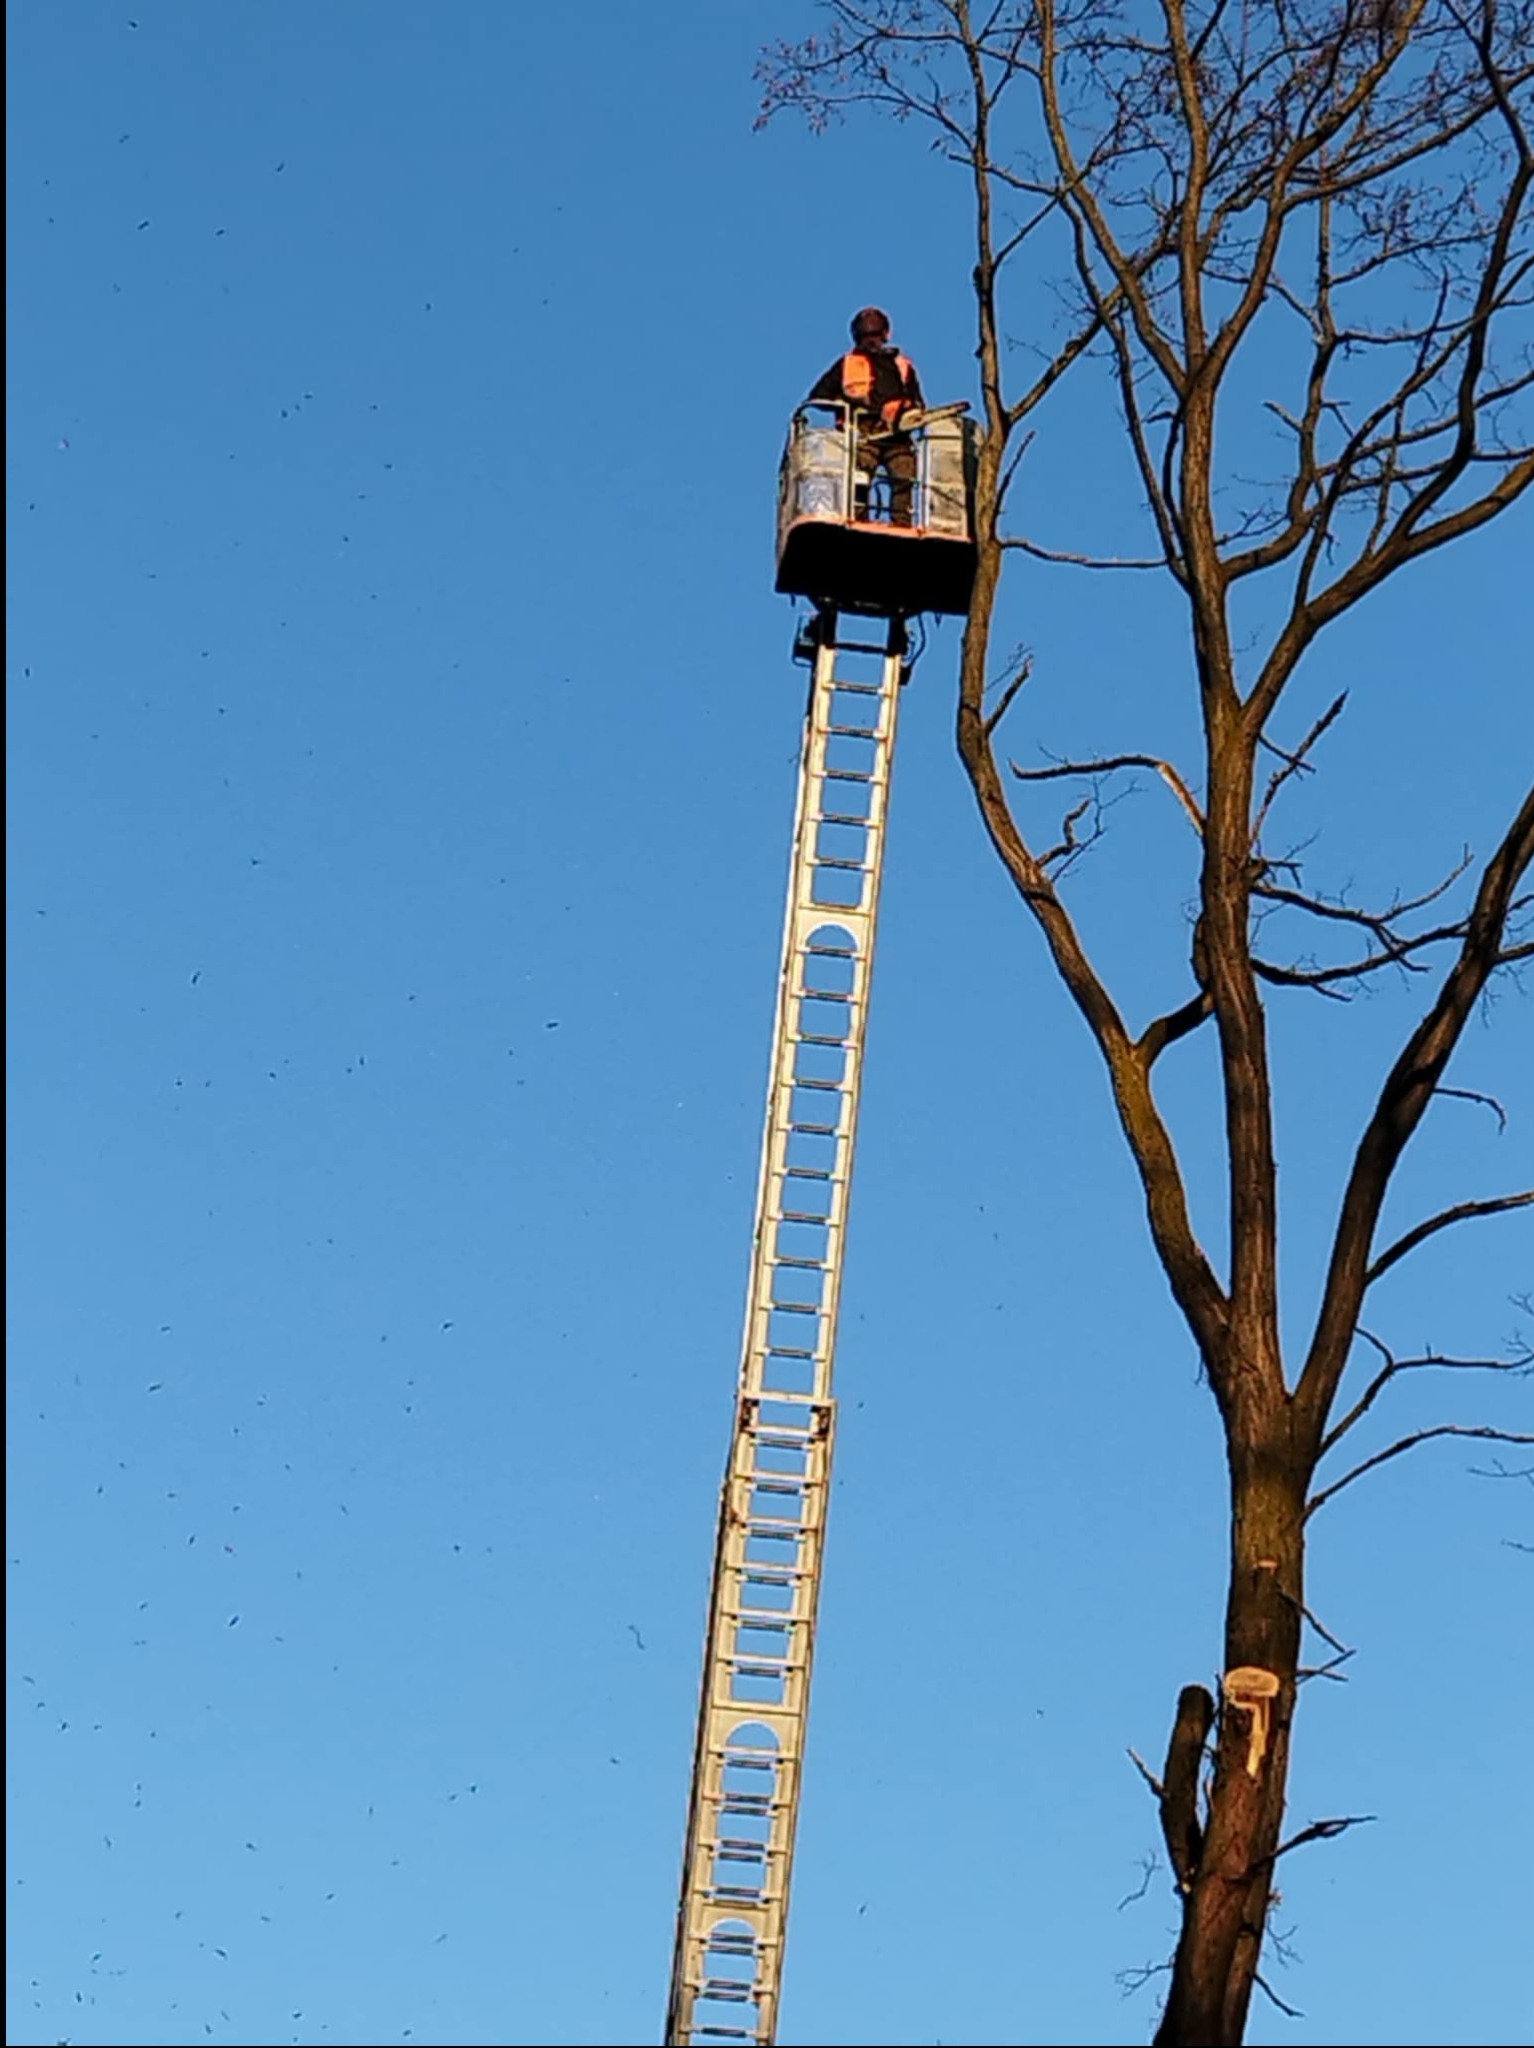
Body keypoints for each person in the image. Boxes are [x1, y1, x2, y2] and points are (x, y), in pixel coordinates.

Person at [808, 307, 925, 526]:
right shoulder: (846, 365)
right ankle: (859, 519)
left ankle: (902, 524)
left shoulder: (902, 366)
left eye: (875, 335)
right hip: (863, 433)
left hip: (897, 434)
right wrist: (851, 404)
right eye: (865, 336)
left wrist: (903, 407)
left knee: (904, 475)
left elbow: (918, 403)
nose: (871, 341)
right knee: (860, 476)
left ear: (885, 334)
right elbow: (818, 397)